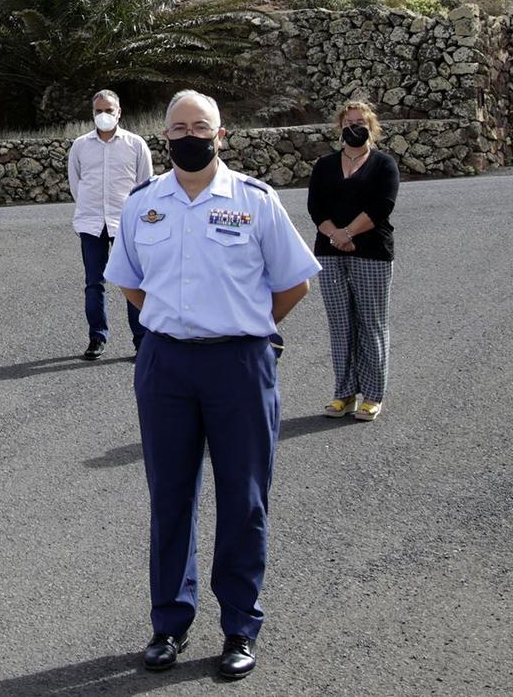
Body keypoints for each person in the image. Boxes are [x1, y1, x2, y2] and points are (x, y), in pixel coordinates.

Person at [105, 90, 320, 680]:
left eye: (202, 126)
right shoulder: (143, 205)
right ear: (164, 138)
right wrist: (176, 323)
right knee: (170, 497)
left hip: (239, 366)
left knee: (244, 499)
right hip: (166, 365)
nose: (190, 136)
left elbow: (295, 280)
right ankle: (169, 623)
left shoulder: (254, 200)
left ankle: (239, 628)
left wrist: (246, 324)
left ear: (221, 135)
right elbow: (126, 279)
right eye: (179, 128)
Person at [307, 98, 400, 423]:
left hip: (371, 252)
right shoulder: (325, 165)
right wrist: (335, 235)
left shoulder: (384, 164)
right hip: (330, 253)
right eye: (348, 124)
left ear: (371, 126)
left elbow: (382, 206)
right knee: (340, 324)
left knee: (371, 324)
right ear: (340, 128)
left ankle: (373, 395)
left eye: (360, 123)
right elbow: (316, 209)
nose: (354, 128)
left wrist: (348, 232)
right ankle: (344, 393)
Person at [68, 89, 153, 361]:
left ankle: (142, 341)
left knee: (133, 282)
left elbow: (145, 183)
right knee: (94, 283)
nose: (103, 115)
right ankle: (97, 338)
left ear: (119, 112)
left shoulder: (135, 144)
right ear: (92, 114)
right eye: (98, 111)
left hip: (125, 224)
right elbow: (76, 183)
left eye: (109, 110)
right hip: (91, 222)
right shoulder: (80, 145)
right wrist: (87, 208)